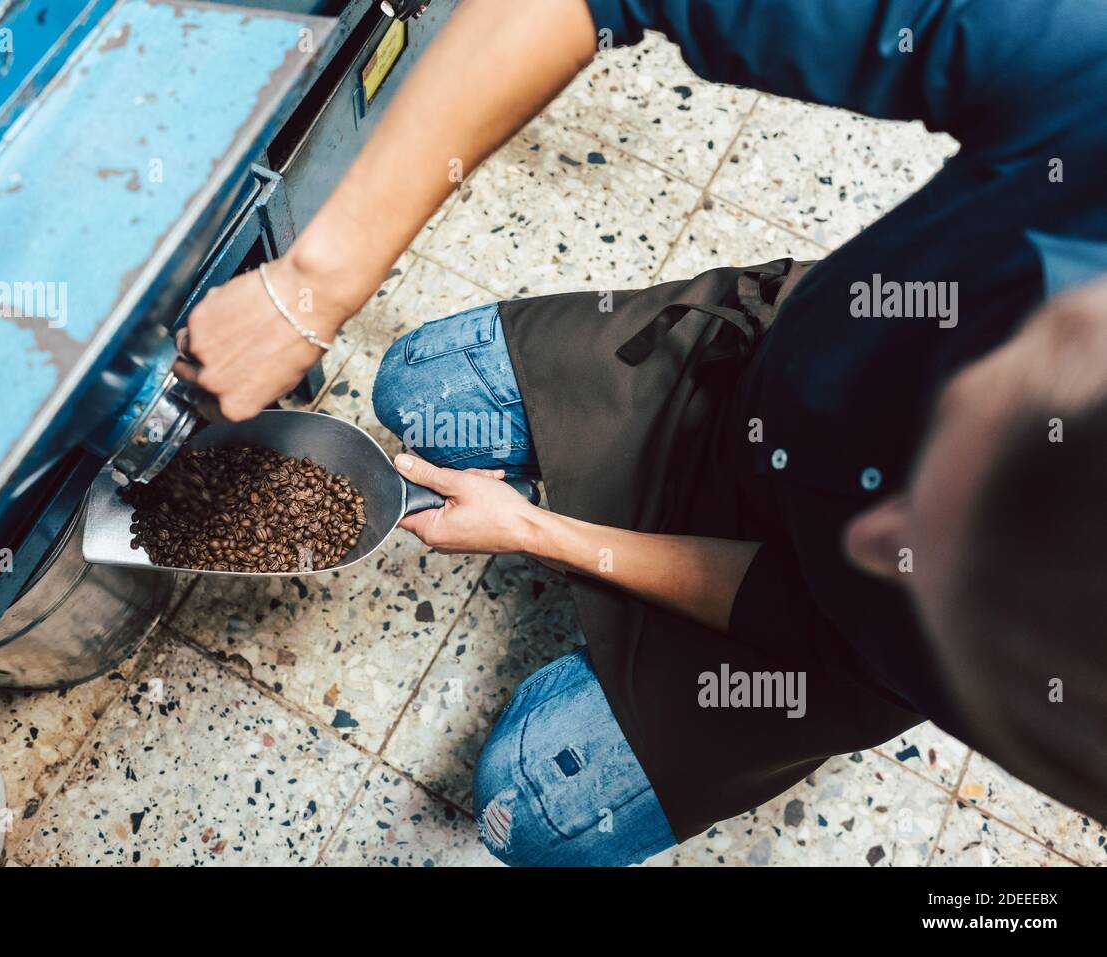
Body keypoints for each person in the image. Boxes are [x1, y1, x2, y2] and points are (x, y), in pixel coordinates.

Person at [175, 0, 1107, 865]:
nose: (874, 535)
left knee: (530, 805)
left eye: (933, 572)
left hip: (809, 632)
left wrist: (538, 530)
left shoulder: (1077, 700)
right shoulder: (1081, 73)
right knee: (419, 386)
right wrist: (315, 282)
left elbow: (798, 609)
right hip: (745, 380)